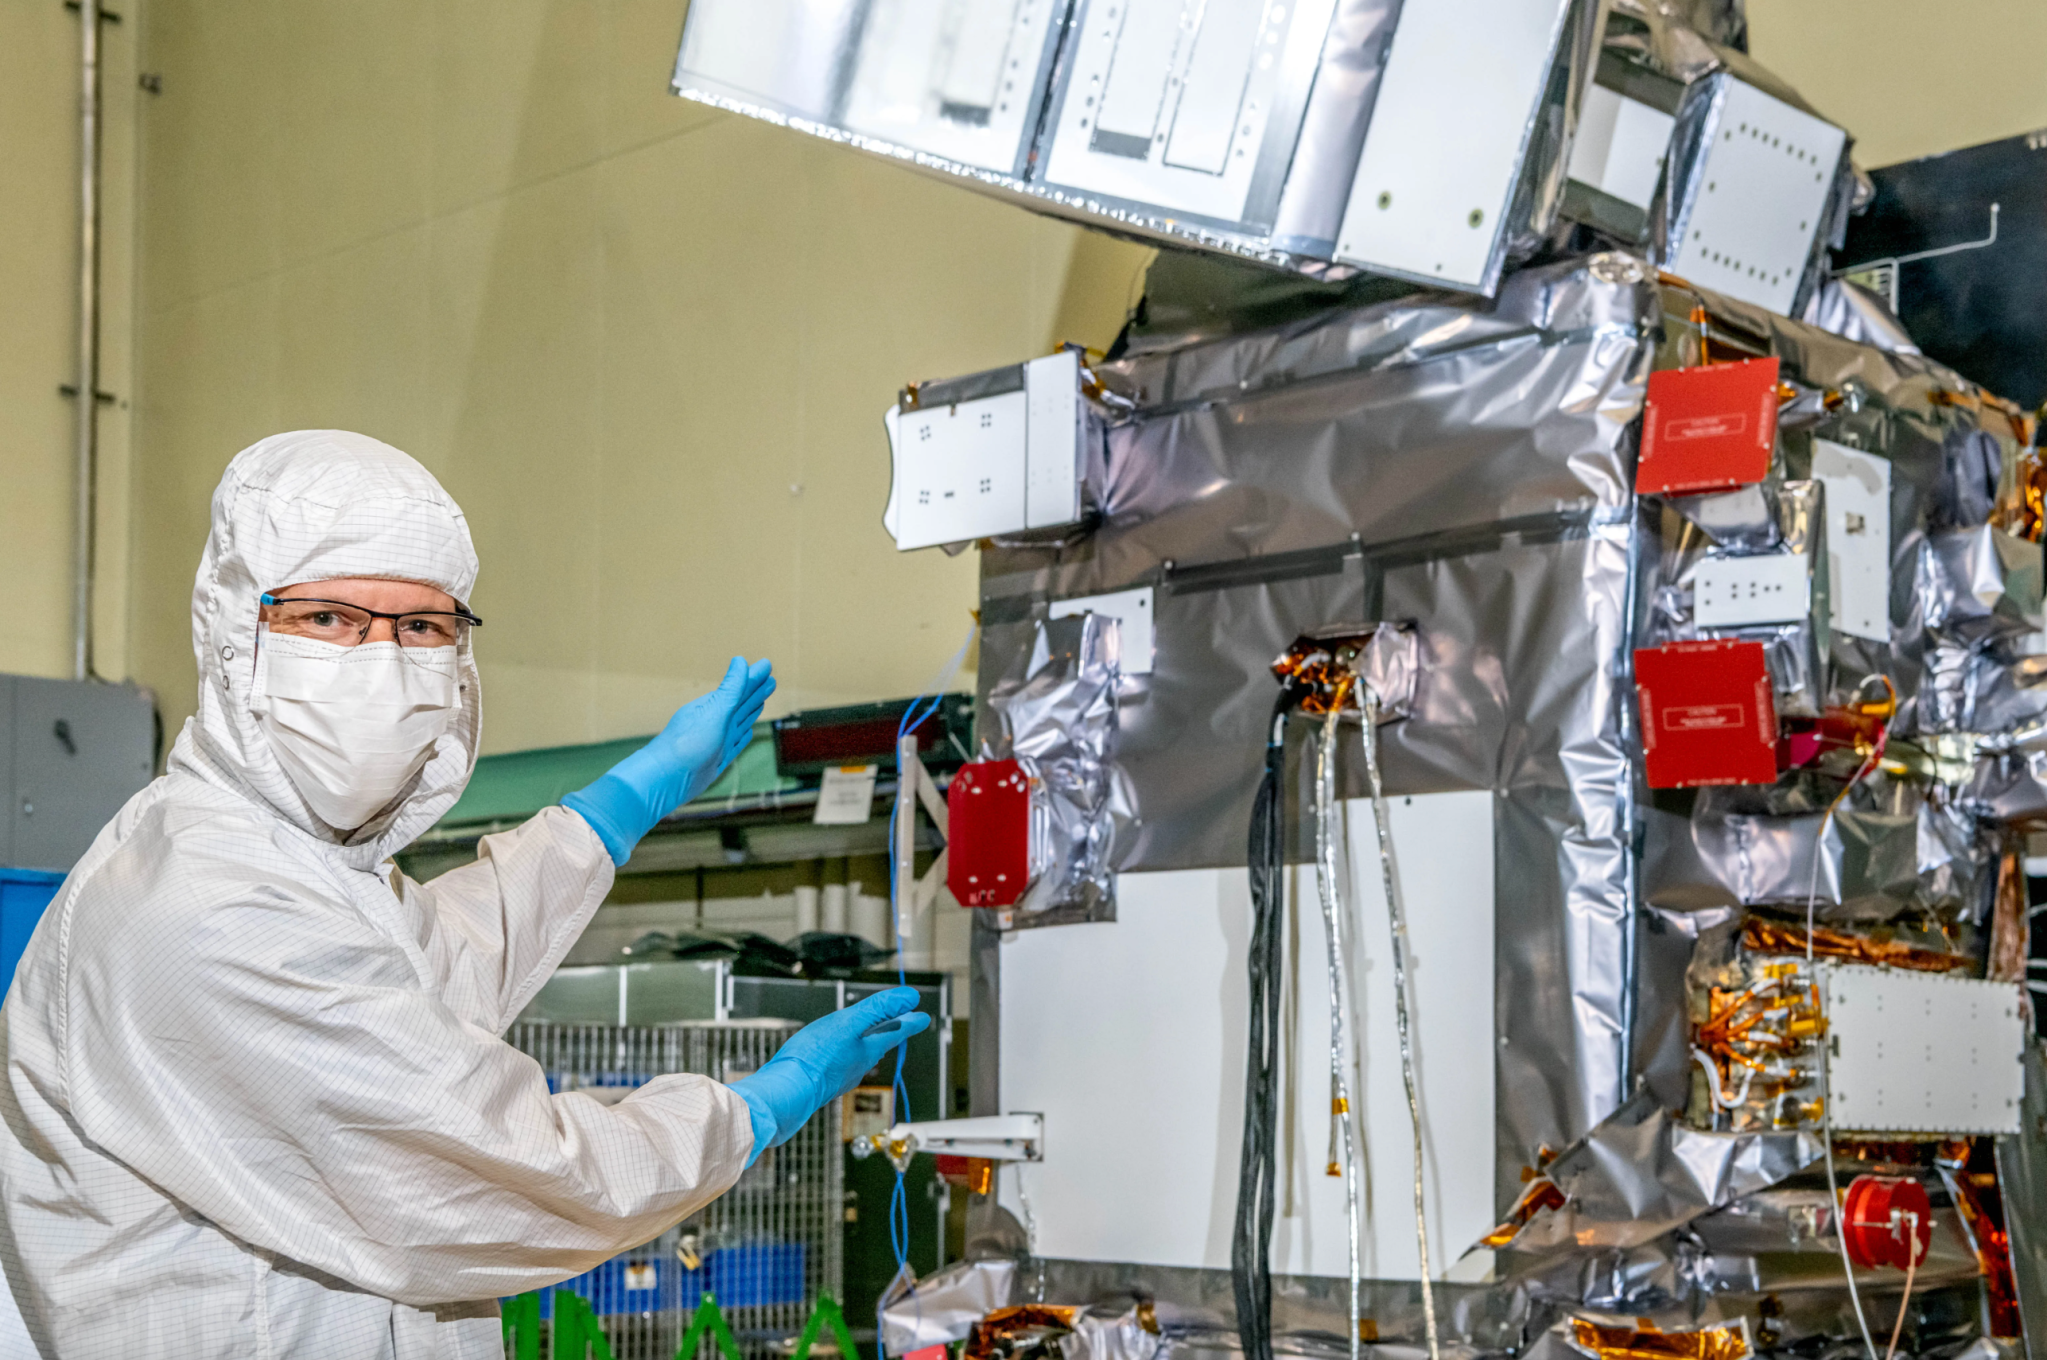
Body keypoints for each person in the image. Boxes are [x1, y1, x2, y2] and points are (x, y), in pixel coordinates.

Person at [0, 431, 927, 1357]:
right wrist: (754, 1110)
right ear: (240, 626)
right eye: (329, 618)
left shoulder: (308, 871)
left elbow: (436, 959)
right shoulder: (201, 899)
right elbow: (510, 1170)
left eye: (422, 626)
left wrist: (615, 809)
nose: (383, 658)